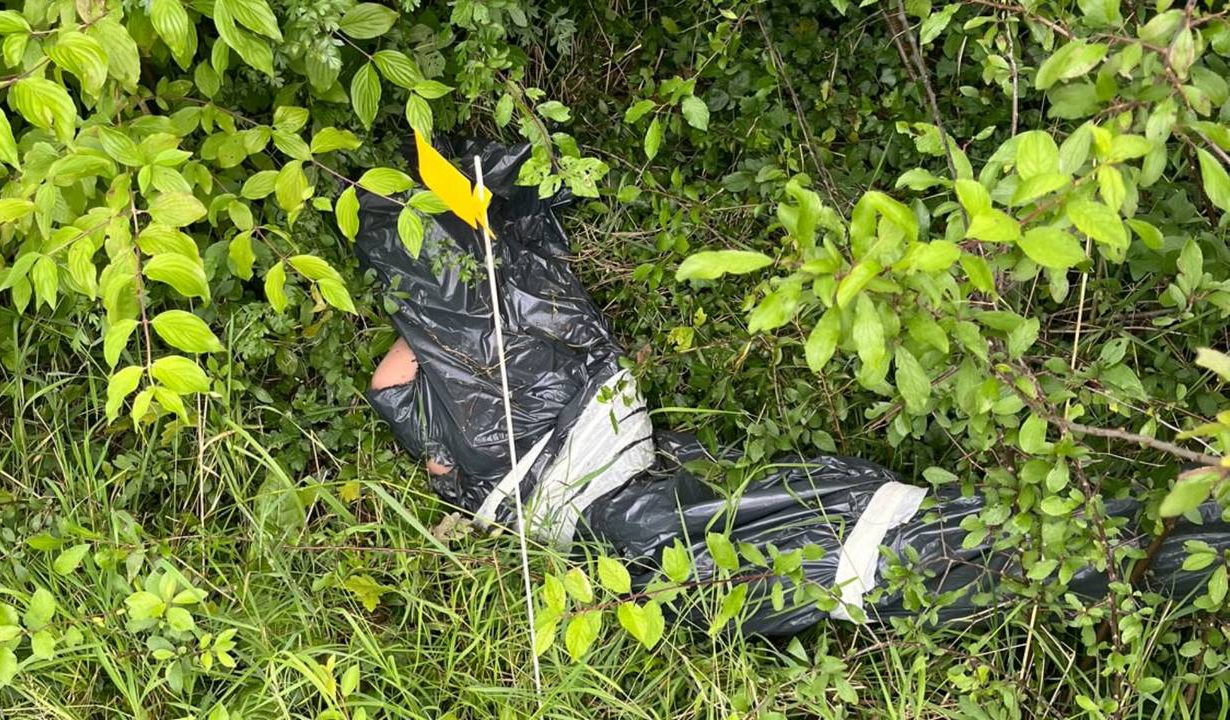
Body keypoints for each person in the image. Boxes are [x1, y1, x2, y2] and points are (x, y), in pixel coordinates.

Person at [354, 139, 1228, 634]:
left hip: (617, 468)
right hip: (609, 491)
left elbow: (405, 363)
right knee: (910, 552)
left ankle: (1170, 545)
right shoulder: (491, 432)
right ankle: (1178, 548)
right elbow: (404, 367)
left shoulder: (490, 395)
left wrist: (464, 251)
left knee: (926, 543)